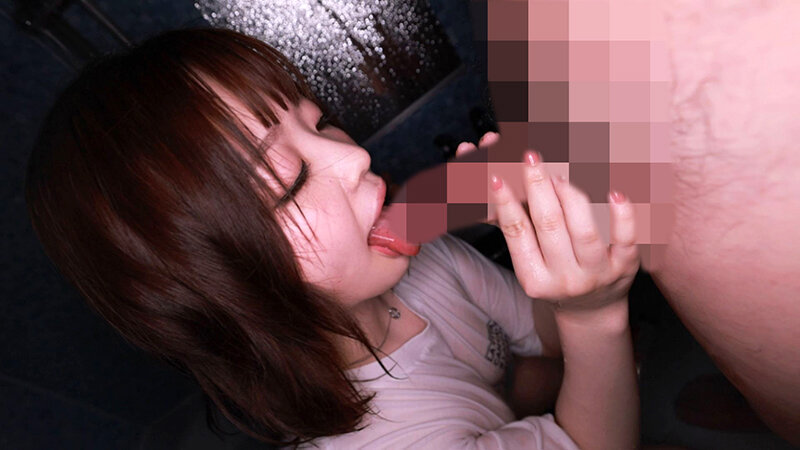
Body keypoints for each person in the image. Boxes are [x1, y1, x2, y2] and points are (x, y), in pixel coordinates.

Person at [24, 27, 640, 449]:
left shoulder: (418, 258)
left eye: (319, 123)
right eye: (290, 179)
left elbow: (545, 344)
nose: (354, 157)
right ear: (222, 286)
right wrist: (596, 315)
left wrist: (554, 273)